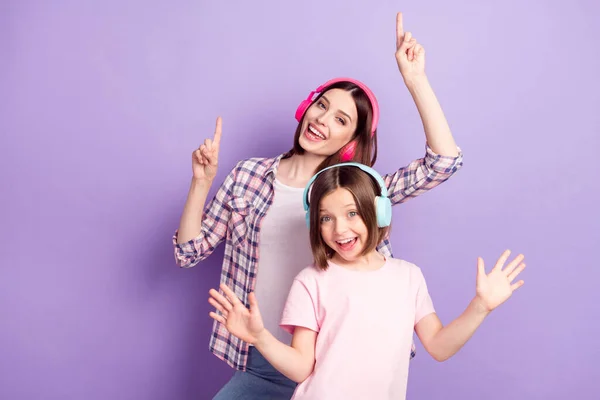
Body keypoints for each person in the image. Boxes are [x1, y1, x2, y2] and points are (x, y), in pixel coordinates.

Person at [174, 12, 463, 399]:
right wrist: (200, 183)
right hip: (267, 355)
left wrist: (415, 80)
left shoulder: (357, 191)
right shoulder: (247, 176)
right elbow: (189, 252)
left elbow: (442, 163)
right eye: (321, 105)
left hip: (343, 361)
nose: (322, 119)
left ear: (352, 138)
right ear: (306, 107)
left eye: (341, 118)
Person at [208, 163, 527, 400]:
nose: (339, 229)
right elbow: (303, 368)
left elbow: (440, 346)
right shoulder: (311, 281)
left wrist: (480, 307)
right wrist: (260, 337)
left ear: (380, 213)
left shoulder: (408, 276)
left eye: (352, 213)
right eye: (326, 218)